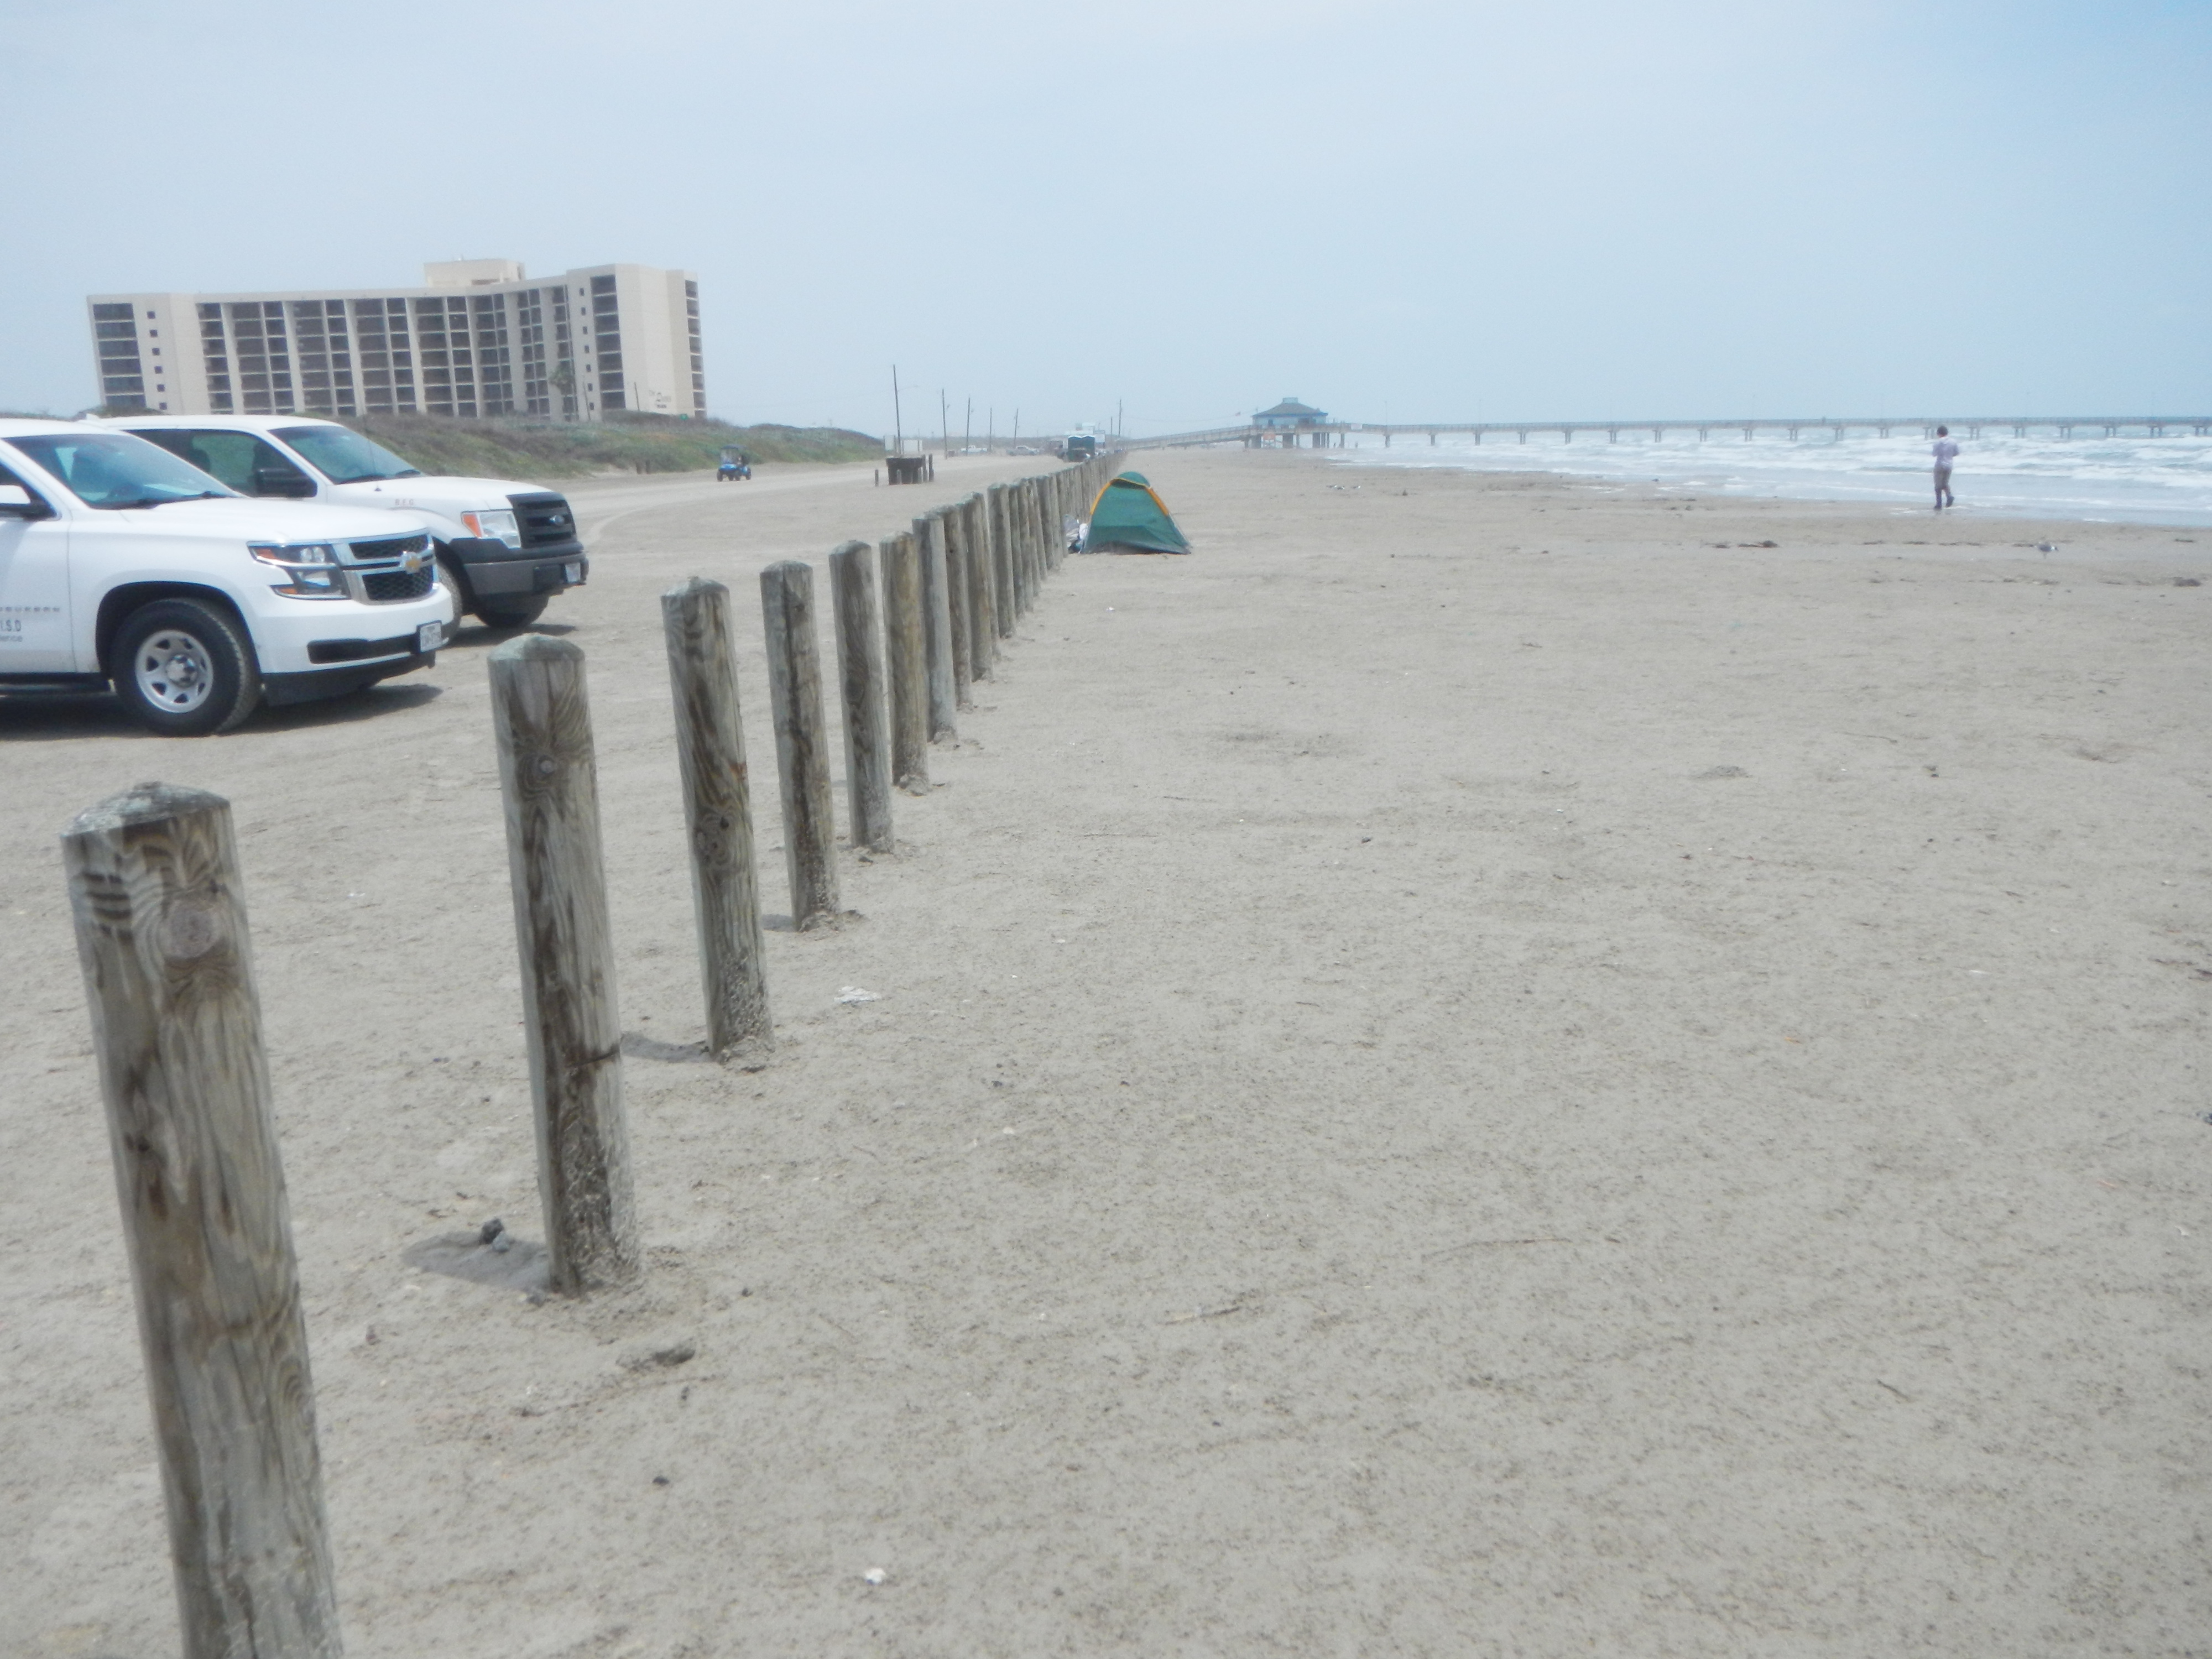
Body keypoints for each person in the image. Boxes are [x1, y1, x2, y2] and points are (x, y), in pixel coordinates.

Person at [1932, 426, 1959, 509]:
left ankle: (1939, 503)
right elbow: (1956, 453)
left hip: (1940, 464)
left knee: (1938, 485)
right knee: (1945, 483)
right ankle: (1949, 496)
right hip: (1949, 464)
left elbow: (1934, 454)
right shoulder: (1953, 442)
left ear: (1938, 434)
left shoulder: (1938, 442)